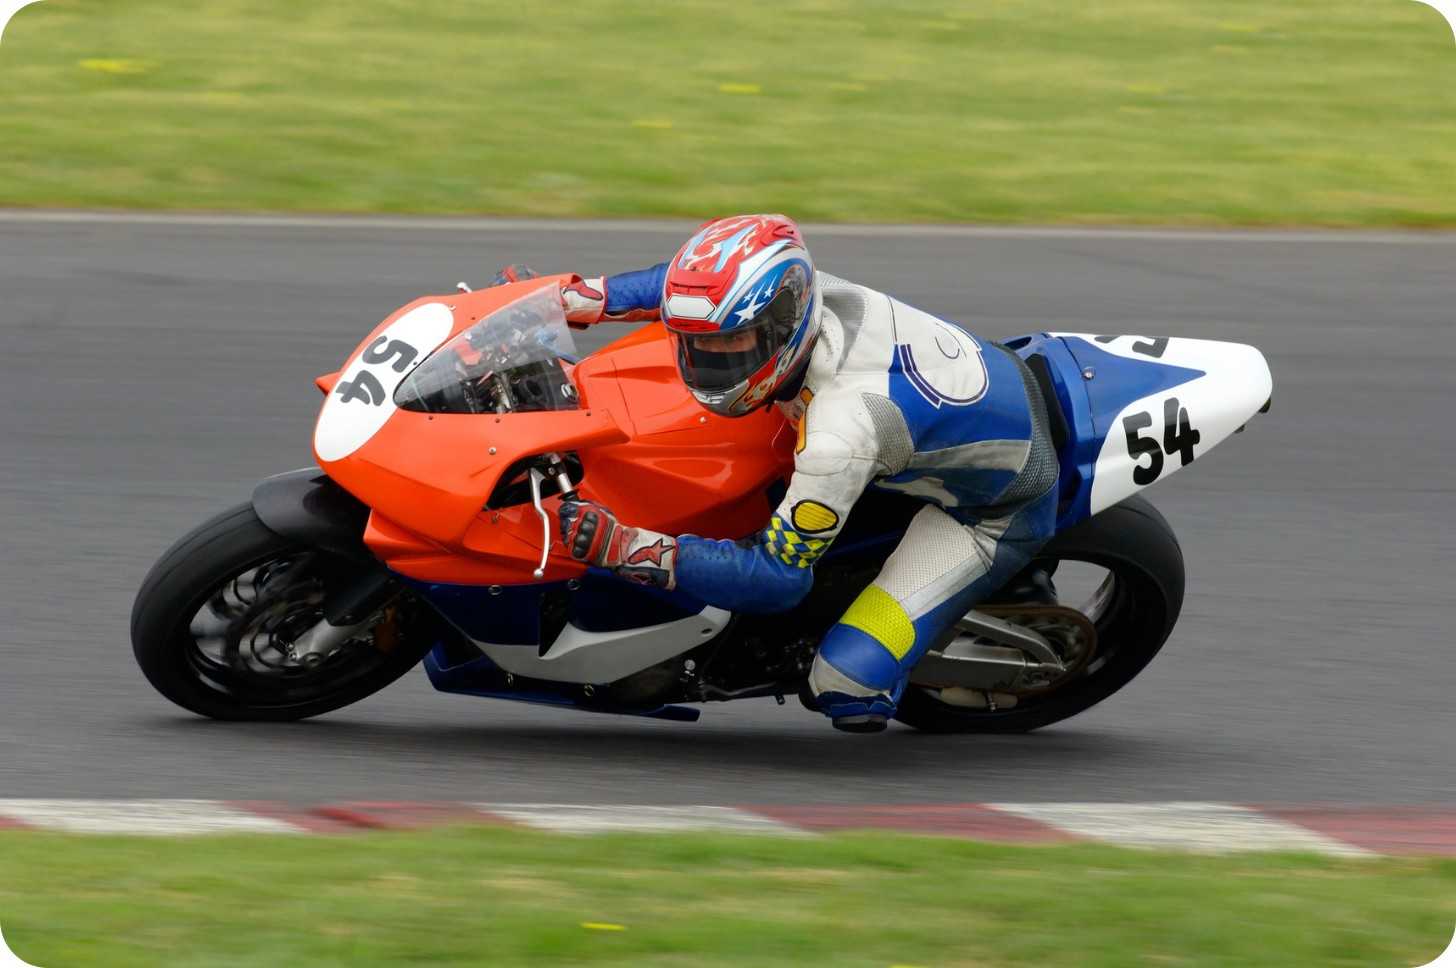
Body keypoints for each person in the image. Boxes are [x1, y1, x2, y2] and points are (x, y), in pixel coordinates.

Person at [550, 213, 1059, 732]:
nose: (707, 360)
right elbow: (678, 287)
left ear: (780, 328)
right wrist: (568, 299)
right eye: (698, 344)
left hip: (989, 510)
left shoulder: (839, 435)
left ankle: (894, 667)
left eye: (731, 346)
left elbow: (778, 579)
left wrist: (627, 550)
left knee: (844, 681)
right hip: (950, 405)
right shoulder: (794, 293)